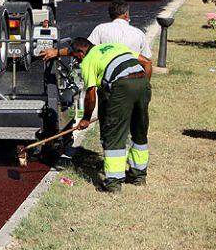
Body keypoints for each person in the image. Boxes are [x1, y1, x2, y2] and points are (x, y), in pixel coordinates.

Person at [44, 37, 152, 192]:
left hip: (121, 87)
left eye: (76, 57)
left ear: (81, 54)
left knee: (114, 134)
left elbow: (91, 94)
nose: (77, 61)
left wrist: (86, 118)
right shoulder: (112, 47)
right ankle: (138, 175)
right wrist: (142, 89)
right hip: (142, 82)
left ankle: (113, 183)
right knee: (139, 131)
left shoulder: (88, 61)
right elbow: (147, 63)